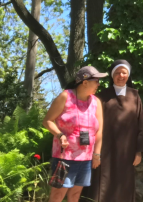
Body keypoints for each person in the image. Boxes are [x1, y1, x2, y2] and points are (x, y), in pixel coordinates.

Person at [84, 59, 143, 202]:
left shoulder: (135, 96)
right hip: (105, 149)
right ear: (112, 75)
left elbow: (140, 126)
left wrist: (138, 151)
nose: (121, 75)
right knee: (103, 185)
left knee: (124, 186)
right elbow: (92, 123)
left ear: (128, 75)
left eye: (124, 73)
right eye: (117, 73)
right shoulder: (101, 96)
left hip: (127, 151)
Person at [43, 66, 105, 202]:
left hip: (86, 159)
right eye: (96, 81)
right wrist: (60, 135)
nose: (99, 84)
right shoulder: (66, 96)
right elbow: (47, 121)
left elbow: (99, 130)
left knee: (75, 195)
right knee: (57, 195)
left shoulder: (96, 102)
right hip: (65, 158)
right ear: (85, 82)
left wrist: (97, 154)